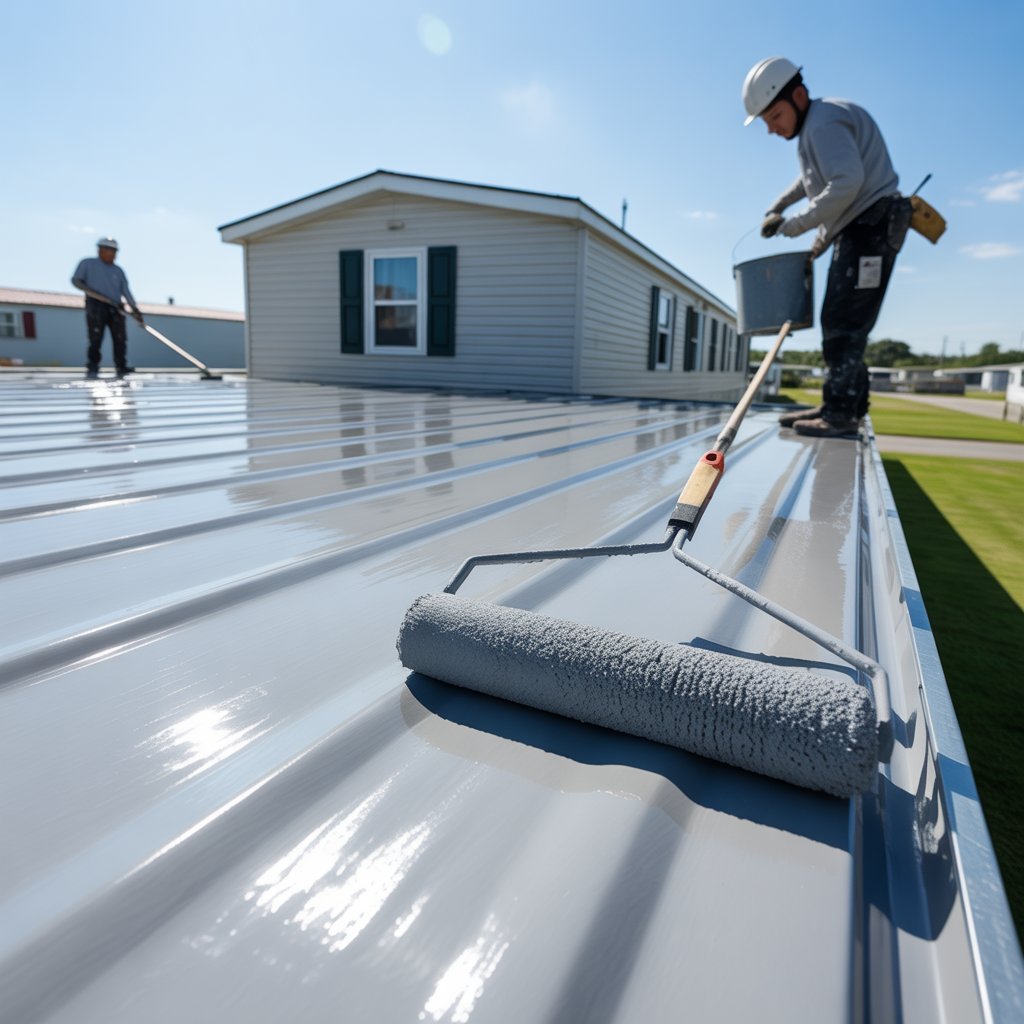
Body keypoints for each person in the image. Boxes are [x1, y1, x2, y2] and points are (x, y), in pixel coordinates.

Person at [742, 58, 911, 438]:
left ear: (798, 96)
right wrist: (779, 206)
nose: (771, 128)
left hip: (870, 225)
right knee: (843, 320)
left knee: (844, 322)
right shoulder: (818, 125)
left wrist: (794, 225)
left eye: (774, 116)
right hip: (864, 226)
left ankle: (840, 414)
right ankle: (843, 406)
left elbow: (846, 184)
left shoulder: (822, 124)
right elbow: (811, 180)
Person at [71, 237, 144, 379]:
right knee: (95, 337)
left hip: (116, 307)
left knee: (120, 338)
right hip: (95, 305)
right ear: (100, 250)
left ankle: (121, 366)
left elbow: (126, 291)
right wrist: (94, 293)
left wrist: (135, 310)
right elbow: (76, 281)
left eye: (114, 251)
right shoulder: (88, 264)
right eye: (110, 250)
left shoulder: (118, 271)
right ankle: (93, 367)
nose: (113, 254)